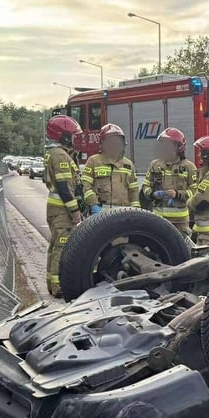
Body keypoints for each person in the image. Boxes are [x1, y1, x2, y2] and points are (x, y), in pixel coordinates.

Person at [43, 114, 83, 297]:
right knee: (61, 246)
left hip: (56, 209)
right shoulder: (59, 155)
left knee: (55, 245)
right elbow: (64, 187)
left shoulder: (57, 153)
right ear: (64, 136)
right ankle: (58, 286)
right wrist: (75, 211)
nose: (75, 139)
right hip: (62, 210)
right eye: (73, 135)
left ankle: (52, 282)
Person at [142, 127, 198, 237]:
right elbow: (146, 185)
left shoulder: (189, 167)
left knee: (182, 250)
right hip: (158, 219)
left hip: (180, 222)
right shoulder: (155, 165)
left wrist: (178, 194)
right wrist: (152, 194)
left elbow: (195, 191)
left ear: (179, 147)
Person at [81, 124, 136, 211]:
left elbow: (134, 190)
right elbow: (85, 186)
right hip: (102, 211)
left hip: (124, 212)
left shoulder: (128, 164)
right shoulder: (94, 161)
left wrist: (136, 209)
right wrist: (93, 204)